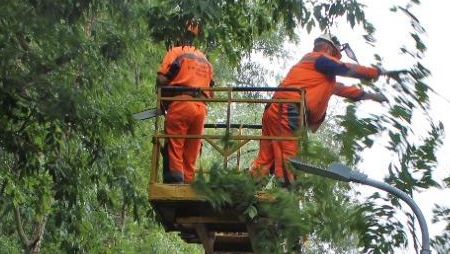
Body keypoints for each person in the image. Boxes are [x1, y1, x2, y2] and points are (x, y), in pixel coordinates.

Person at [249, 36, 392, 183]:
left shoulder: (318, 76)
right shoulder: (318, 59)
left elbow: (346, 90)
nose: (335, 60)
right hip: (287, 111)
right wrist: (375, 72)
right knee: (287, 163)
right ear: (327, 49)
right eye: (335, 56)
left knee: (266, 160)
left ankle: (245, 191)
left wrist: (372, 96)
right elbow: (344, 68)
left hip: (275, 111)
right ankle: (283, 201)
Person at [157, 22, 214, 184]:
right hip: (201, 108)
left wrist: (162, 95)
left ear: (180, 35)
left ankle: (174, 183)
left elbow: (162, 78)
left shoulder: (176, 52)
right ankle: (188, 182)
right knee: (191, 149)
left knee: (174, 145)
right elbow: (212, 89)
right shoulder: (204, 59)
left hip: (181, 103)